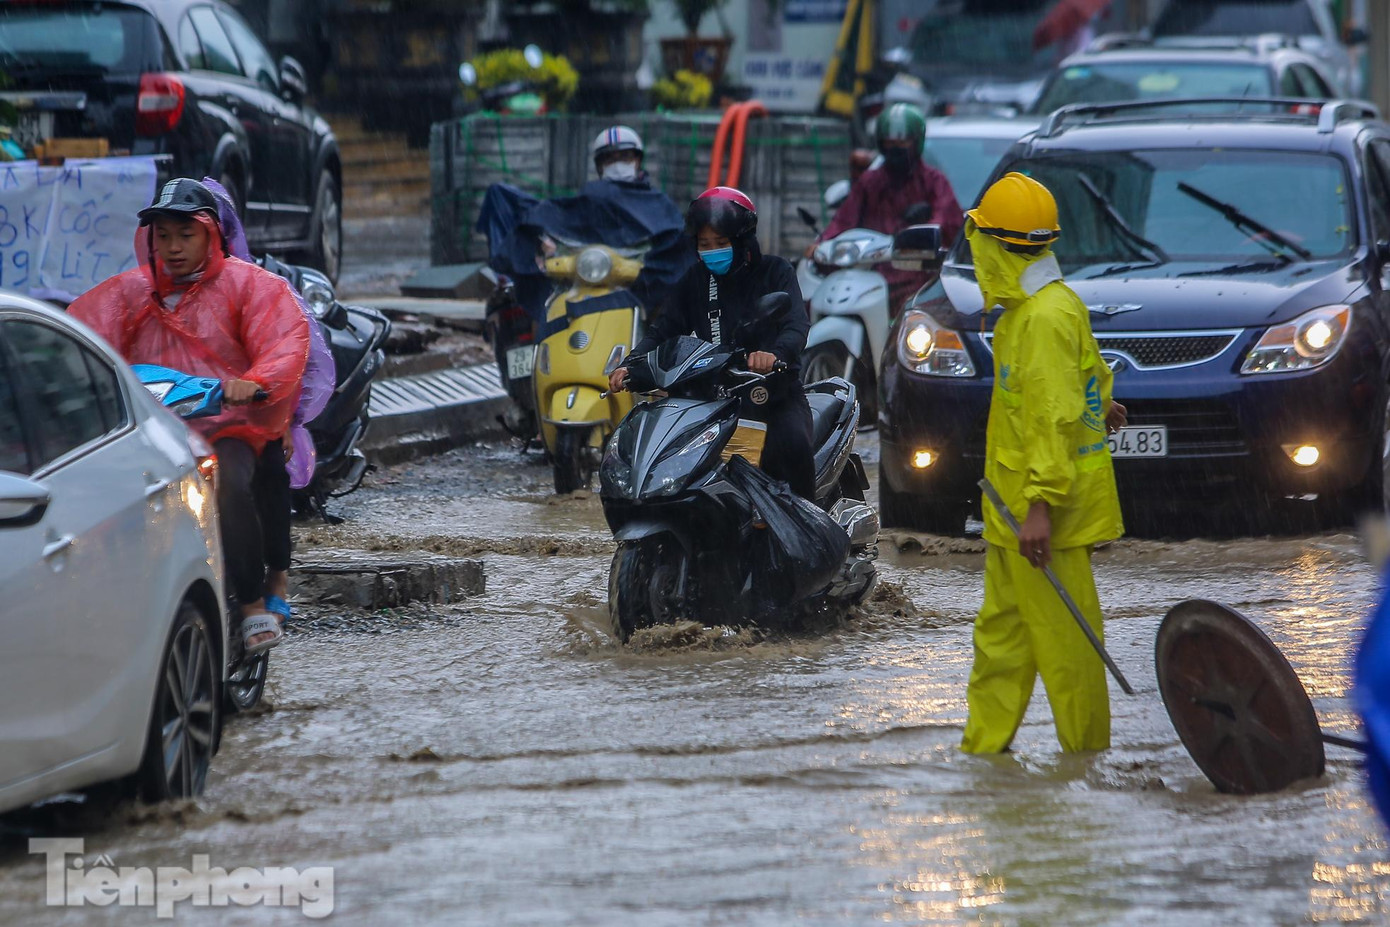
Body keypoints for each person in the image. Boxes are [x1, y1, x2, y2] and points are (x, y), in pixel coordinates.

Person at [67, 178, 311, 655]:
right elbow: (83, 338)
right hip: (153, 432)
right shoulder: (130, 294)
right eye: (163, 236)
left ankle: (252, 602)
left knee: (233, 485)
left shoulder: (249, 286)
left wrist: (251, 384)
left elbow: (283, 343)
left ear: (210, 235)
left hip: (230, 426)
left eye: (185, 234)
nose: (173, 247)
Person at [959, 172, 1126, 755]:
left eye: (979, 245)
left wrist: (1040, 509)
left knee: (1067, 653)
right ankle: (982, 757)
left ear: (1000, 248)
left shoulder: (1043, 319)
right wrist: (1101, 406)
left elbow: (1050, 417)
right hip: (1011, 516)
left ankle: (1086, 765)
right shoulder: (1031, 314)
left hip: (1039, 519)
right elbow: (1072, 391)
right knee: (999, 644)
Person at [608, 186, 814, 499]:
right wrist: (631, 364)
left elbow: (796, 325)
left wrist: (774, 354)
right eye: (705, 245)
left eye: (721, 243)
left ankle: (809, 530)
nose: (712, 251)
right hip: (712, 398)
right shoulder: (695, 280)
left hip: (772, 395)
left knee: (793, 445)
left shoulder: (776, 272)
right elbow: (663, 329)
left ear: (741, 241)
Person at [807, 103, 964, 314]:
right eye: (889, 142)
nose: (896, 148)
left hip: (917, 279)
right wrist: (822, 244)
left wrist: (920, 237)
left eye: (902, 142)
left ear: (916, 142)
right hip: (870, 276)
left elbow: (944, 219)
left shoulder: (934, 182)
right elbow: (844, 220)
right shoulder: (870, 182)